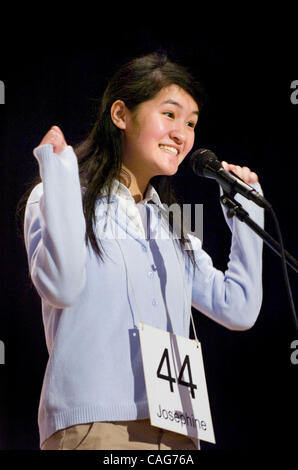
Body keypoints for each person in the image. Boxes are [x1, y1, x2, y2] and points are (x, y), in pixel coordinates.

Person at [22, 52, 264, 450]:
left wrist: (247, 214)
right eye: (169, 115)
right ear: (121, 114)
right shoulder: (58, 195)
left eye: (190, 123)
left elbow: (237, 307)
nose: (182, 134)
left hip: (177, 427)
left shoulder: (174, 222)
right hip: (95, 423)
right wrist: (59, 178)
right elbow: (62, 287)